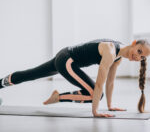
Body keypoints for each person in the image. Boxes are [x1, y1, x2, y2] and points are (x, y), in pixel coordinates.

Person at [0, 38, 150, 118]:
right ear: (133, 43)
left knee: (31, 74)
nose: (137, 56)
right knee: (96, 95)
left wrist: (110, 106)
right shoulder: (111, 52)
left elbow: (110, 82)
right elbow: (99, 84)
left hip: (65, 56)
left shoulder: (118, 58)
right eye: (138, 51)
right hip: (67, 60)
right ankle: (58, 97)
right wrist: (95, 111)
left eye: (142, 57)